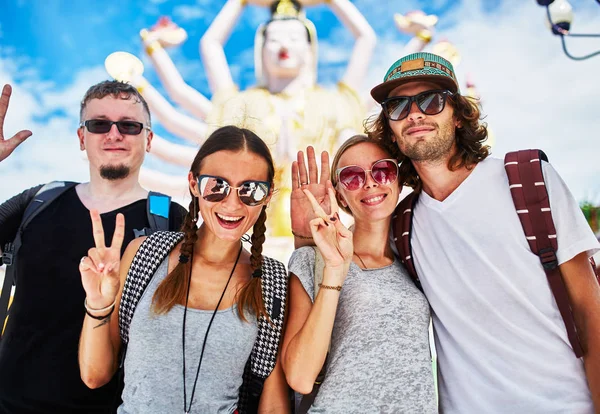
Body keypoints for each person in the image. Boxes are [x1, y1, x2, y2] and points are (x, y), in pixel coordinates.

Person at [367, 52, 600, 413]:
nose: (414, 114)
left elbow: (591, 311)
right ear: (391, 130)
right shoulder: (402, 224)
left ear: (459, 115)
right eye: (397, 106)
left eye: (431, 101)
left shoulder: (527, 179)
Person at [0, 81, 187, 413]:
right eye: (99, 124)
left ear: (149, 139)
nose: (114, 134)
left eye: (129, 126)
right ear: (82, 138)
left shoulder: (171, 220)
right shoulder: (39, 201)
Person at [77, 125, 290, 413]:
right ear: (193, 184)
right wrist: (98, 304)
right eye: (217, 186)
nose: (232, 203)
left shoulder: (271, 280)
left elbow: (273, 399)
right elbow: (95, 375)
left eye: (250, 190)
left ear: (267, 195)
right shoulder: (146, 253)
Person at [282, 135, 437, 413]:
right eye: (352, 176)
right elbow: (300, 377)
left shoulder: (416, 259)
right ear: (339, 194)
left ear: (398, 181)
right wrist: (334, 268)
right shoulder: (310, 259)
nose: (370, 182)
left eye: (383, 170)